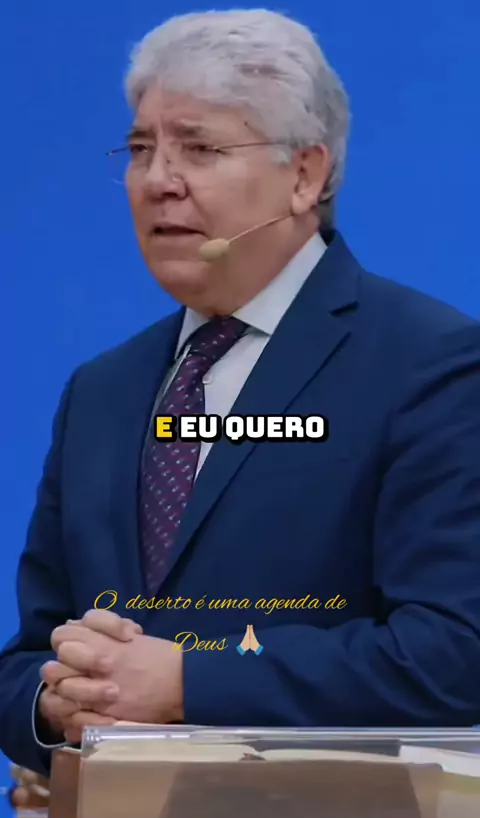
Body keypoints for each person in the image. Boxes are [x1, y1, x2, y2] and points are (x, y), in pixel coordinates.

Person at [1, 7, 480, 779]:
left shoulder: (432, 365)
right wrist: (57, 702)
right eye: (141, 149)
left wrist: (189, 682)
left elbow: (455, 655)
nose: (159, 181)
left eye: (200, 148)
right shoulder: (101, 392)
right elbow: (31, 652)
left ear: (305, 176)